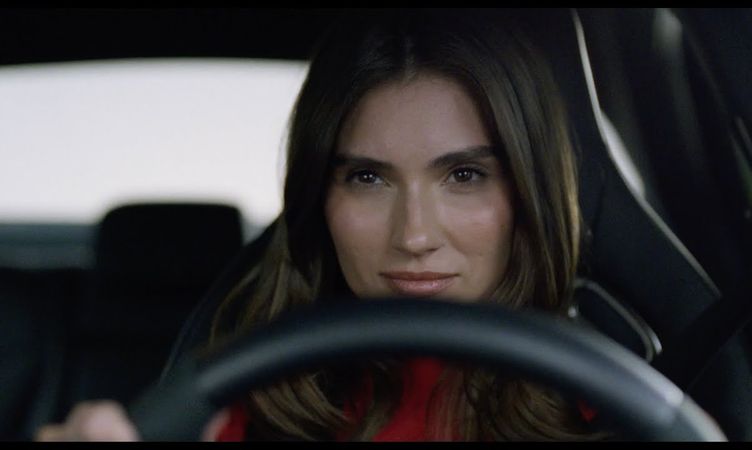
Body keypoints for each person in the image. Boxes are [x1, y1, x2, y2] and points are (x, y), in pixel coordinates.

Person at [36, 9, 609, 441]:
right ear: (319, 200)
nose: (414, 236)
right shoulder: (249, 415)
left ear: (530, 193)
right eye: (367, 178)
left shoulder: (612, 407)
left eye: (464, 175)